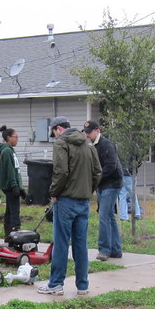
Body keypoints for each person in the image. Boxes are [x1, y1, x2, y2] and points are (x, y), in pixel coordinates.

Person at [37, 116, 101, 296]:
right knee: (81, 244)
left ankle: (56, 284)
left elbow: (61, 171)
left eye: (54, 133)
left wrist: (54, 193)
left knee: (61, 243)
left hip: (65, 201)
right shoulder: (88, 145)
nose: (54, 136)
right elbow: (98, 173)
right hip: (84, 201)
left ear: (58, 129)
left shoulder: (61, 144)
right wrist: (88, 190)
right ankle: (83, 285)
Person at [84, 120, 123, 261]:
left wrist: (96, 178)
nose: (87, 135)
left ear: (97, 131)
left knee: (104, 216)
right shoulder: (92, 145)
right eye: (86, 133)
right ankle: (116, 250)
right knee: (109, 216)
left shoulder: (106, 145)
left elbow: (111, 166)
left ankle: (104, 250)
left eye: (89, 133)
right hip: (103, 185)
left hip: (111, 184)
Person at [0, 125, 25, 239]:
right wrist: (14, 186)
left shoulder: (10, 150)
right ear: (8, 138)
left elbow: (16, 169)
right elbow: (10, 170)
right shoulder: (7, 151)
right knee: (14, 210)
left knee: (9, 210)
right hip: (10, 185)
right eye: (15, 137)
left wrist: (21, 189)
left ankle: (8, 235)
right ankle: (15, 234)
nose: (17, 139)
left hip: (13, 185)